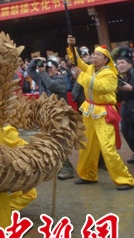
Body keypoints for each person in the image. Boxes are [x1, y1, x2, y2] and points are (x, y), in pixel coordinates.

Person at [67, 35, 134, 190]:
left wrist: (80, 76)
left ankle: (124, 179)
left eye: (98, 55)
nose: (94, 57)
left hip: (104, 113)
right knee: (87, 145)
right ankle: (87, 174)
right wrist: (71, 46)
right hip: (89, 112)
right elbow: (77, 62)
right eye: (94, 54)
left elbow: (100, 87)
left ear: (106, 60)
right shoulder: (90, 68)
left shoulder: (110, 74)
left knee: (107, 148)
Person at [27, 55, 74, 180]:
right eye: (46, 68)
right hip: (47, 116)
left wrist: (42, 72)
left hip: (60, 118)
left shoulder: (61, 80)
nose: (48, 70)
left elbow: (50, 85)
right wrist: (36, 61)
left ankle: (67, 169)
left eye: (50, 67)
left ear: (57, 69)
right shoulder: (43, 78)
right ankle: (55, 167)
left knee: (60, 142)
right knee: (48, 142)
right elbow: (29, 71)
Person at [114, 47, 134, 163]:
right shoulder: (121, 78)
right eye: (118, 63)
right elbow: (119, 98)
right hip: (126, 109)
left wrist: (131, 88)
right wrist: (116, 91)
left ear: (130, 64)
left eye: (123, 63)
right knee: (127, 133)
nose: (120, 65)